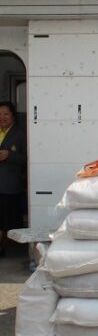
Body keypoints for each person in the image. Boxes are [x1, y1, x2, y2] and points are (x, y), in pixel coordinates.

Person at [0, 101, 27, 257]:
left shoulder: (19, 134)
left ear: (13, 116)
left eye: (6, 114)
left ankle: (6, 245)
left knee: (8, 218)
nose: (2, 117)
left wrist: (9, 155)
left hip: (10, 184)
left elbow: (26, 158)